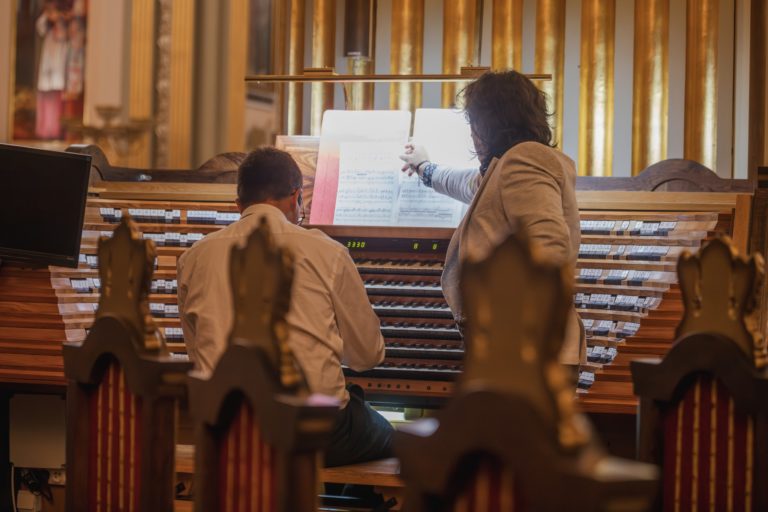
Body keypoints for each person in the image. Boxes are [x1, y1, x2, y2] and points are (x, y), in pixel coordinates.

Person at [177, 147, 393, 467]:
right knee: (389, 435)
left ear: (239, 205)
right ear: (296, 199)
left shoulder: (193, 257)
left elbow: (198, 358)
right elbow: (367, 356)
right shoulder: (327, 251)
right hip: (313, 431)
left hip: (228, 428)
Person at [400, 70, 585, 369]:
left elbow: (550, 250)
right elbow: (466, 183)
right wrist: (424, 167)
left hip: (527, 353)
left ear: (488, 124)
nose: (472, 134)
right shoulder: (508, 166)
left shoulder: (525, 161)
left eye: (474, 123)